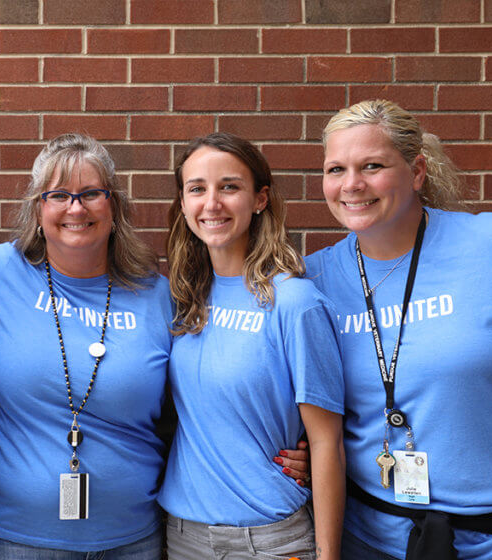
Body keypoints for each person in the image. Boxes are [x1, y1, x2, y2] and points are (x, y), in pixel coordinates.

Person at [0, 134, 312, 559]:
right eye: (59, 195)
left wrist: (293, 445)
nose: (75, 208)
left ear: (115, 206)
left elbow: (220, 375)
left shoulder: (160, 297)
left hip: (130, 541)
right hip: (13, 539)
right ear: (38, 208)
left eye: (91, 194)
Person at [306, 99, 492, 560]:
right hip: (371, 539)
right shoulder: (314, 281)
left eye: (372, 165)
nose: (351, 185)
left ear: (416, 172)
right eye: (336, 169)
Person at [159, 133, 346, 560]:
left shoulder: (295, 302)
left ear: (260, 199)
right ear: (184, 202)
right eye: (197, 189)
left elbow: (326, 443)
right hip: (185, 536)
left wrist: (329, 555)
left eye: (229, 187)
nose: (212, 203)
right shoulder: (185, 299)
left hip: (269, 540)